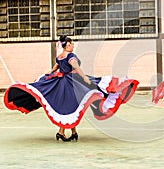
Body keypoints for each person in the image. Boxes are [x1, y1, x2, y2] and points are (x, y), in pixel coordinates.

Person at [4, 35, 139, 141]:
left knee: (70, 107)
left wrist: (46, 77)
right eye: (71, 43)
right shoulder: (70, 56)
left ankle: (73, 132)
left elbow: (53, 69)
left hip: (61, 83)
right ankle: (61, 132)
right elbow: (77, 68)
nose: (73, 45)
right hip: (71, 83)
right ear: (67, 45)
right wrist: (86, 79)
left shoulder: (59, 56)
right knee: (71, 106)